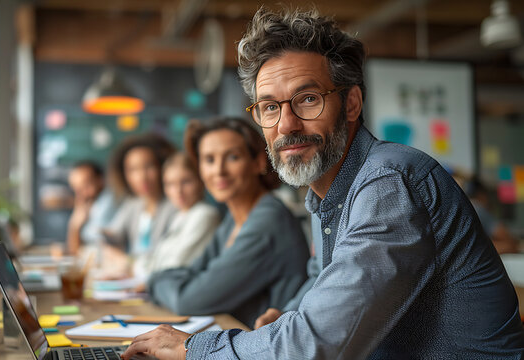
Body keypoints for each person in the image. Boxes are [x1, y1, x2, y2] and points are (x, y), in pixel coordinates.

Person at [122, 7, 524, 359]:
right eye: (269, 107)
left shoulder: (388, 184)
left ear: (351, 103)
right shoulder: (326, 194)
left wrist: (192, 349)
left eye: (308, 99)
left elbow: (314, 347)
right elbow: (322, 280)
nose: (286, 125)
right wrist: (288, 318)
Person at [146, 117, 309, 328]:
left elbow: (189, 300)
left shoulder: (268, 219)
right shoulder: (234, 218)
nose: (219, 171)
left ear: (259, 161)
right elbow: (193, 272)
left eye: (232, 157)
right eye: (209, 160)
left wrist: (153, 280)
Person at [133, 152, 221, 283]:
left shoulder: (205, 215)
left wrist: (138, 268)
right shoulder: (179, 216)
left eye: (186, 182)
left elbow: (174, 267)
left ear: (201, 181)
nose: (178, 191)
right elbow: (155, 261)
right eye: (170, 184)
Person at [102, 134, 177, 261]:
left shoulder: (175, 205)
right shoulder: (133, 204)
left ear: (162, 167)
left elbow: (166, 258)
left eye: (149, 166)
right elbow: (112, 237)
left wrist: (125, 261)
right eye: (133, 170)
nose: (142, 177)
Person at [65, 161, 118, 255]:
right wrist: (74, 224)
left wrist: (74, 225)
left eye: (85, 185)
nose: (80, 194)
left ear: (100, 180)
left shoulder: (109, 201)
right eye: (76, 188)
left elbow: (77, 251)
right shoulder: (91, 205)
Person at [465, 176, 520, 254]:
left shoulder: (464, 206)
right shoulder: (477, 207)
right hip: (473, 255)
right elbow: (505, 235)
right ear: (482, 194)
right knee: (509, 246)